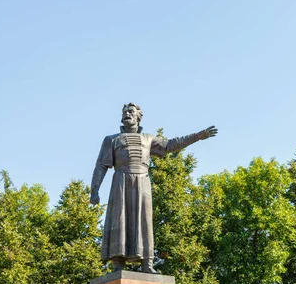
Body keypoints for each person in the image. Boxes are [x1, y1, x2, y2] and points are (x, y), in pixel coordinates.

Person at [90, 103, 217, 273]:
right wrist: (94, 191)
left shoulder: (148, 138)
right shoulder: (111, 139)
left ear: (138, 116)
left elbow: (171, 145)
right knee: (119, 220)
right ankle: (118, 263)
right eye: (125, 112)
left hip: (142, 181)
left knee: (144, 220)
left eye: (131, 111)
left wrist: (198, 136)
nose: (127, 114)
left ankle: (147, 263)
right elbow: (101, 166)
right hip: (120, 181)